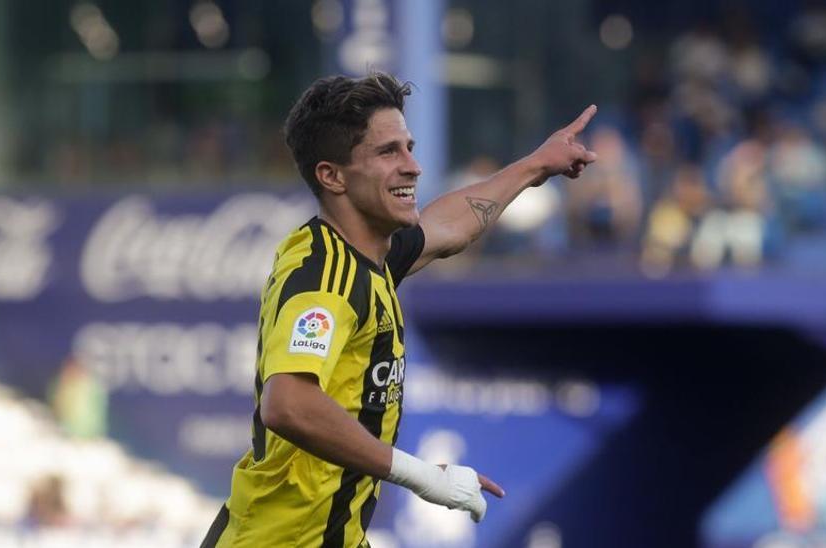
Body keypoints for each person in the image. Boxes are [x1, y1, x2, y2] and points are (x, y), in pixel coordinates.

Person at [201, 72, 596, 547]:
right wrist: (421, 475)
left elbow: (451, 227)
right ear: (332, 175)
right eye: (389, 152)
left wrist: (537, 165)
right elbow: (287, 404)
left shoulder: (371, 257)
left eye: (409, 147)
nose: (413, 167)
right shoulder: (325, 278)